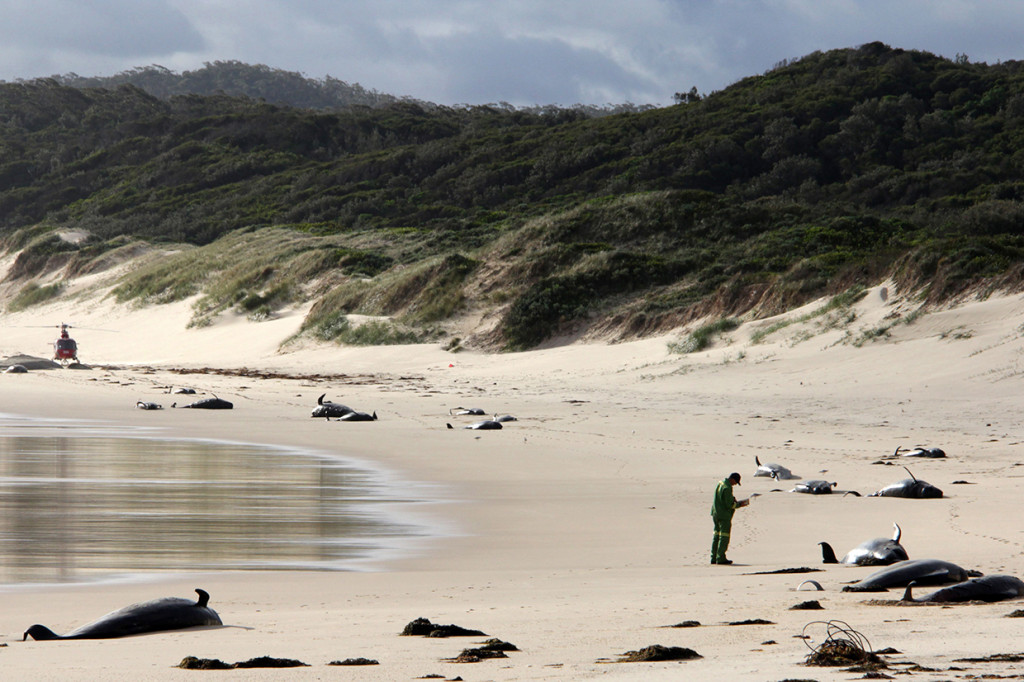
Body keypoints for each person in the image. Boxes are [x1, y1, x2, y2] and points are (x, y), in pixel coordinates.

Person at [710, 472, 748, 565]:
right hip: (723, 515)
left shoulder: (720, 483)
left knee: (716, 536)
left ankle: (714, 557)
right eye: (735, 482)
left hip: (715, 513)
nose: (735, 484)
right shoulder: (727, 488)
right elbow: (729, 505)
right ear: (732, 479)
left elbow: (722, 499)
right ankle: (721, 557)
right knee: (724, 536)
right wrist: (740, 504)